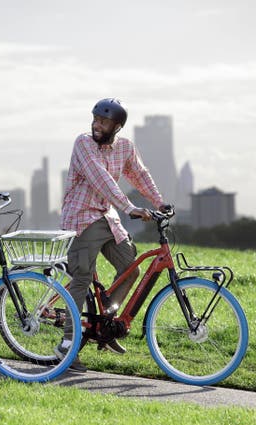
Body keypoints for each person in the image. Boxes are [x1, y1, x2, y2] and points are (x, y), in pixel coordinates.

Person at [55, 98, 169, 372]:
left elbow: (140, 174)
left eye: (103, 122)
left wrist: (159, 202)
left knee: (130, 268)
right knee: (81, 277)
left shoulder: (125, 147)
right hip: (81, 216)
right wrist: (129, 207)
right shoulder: (83, 143)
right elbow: (100, 178)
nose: (97, 125)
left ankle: (105, 325)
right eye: (95, 119)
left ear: (116, 126)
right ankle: (67, 345)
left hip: (107, 216)